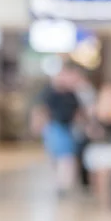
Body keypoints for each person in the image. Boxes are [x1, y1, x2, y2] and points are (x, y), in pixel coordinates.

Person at [31, 63, 81, 197]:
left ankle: (63, 184)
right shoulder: (50, 92)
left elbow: (77, 112)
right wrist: (38, 125)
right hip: (54, 127)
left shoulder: (71, 94)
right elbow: (40, 109)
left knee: (66, 158)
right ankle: (61, 183)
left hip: (68, 128)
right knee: (59, 158)